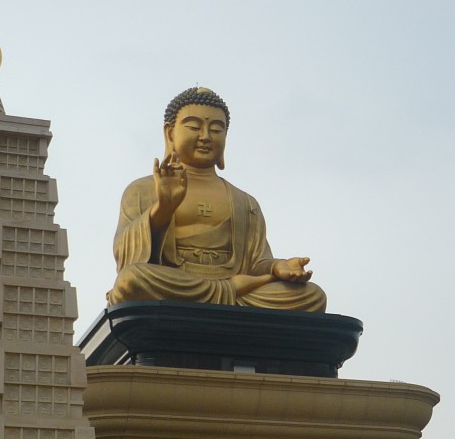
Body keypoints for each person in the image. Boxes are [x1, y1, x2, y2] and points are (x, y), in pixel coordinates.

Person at [107, 87, 327, 312]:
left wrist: (277, 267)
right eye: (194, 127)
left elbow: (256, 263)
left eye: (216, 129)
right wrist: (163, 208)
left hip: (216, 291)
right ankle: (231, 291)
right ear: (170, 133)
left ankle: (229, 292)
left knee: (313, 296)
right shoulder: (143, 190)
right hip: (174, 282)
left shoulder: (245, 202)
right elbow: (126, 256)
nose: (205, 136)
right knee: (131, 280)